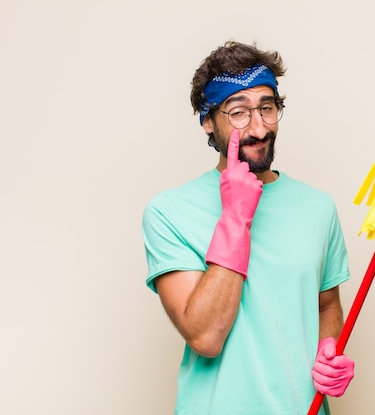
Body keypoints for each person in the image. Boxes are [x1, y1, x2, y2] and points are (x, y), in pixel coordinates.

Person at [142, 40, 355, 415]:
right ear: (208, 121)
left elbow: (327, 305)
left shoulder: (318, 208)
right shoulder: (168, 212)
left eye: (267, 108)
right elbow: (205, 336)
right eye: (238, 112)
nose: (258, 127)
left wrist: (328, 348)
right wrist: (236, 217)